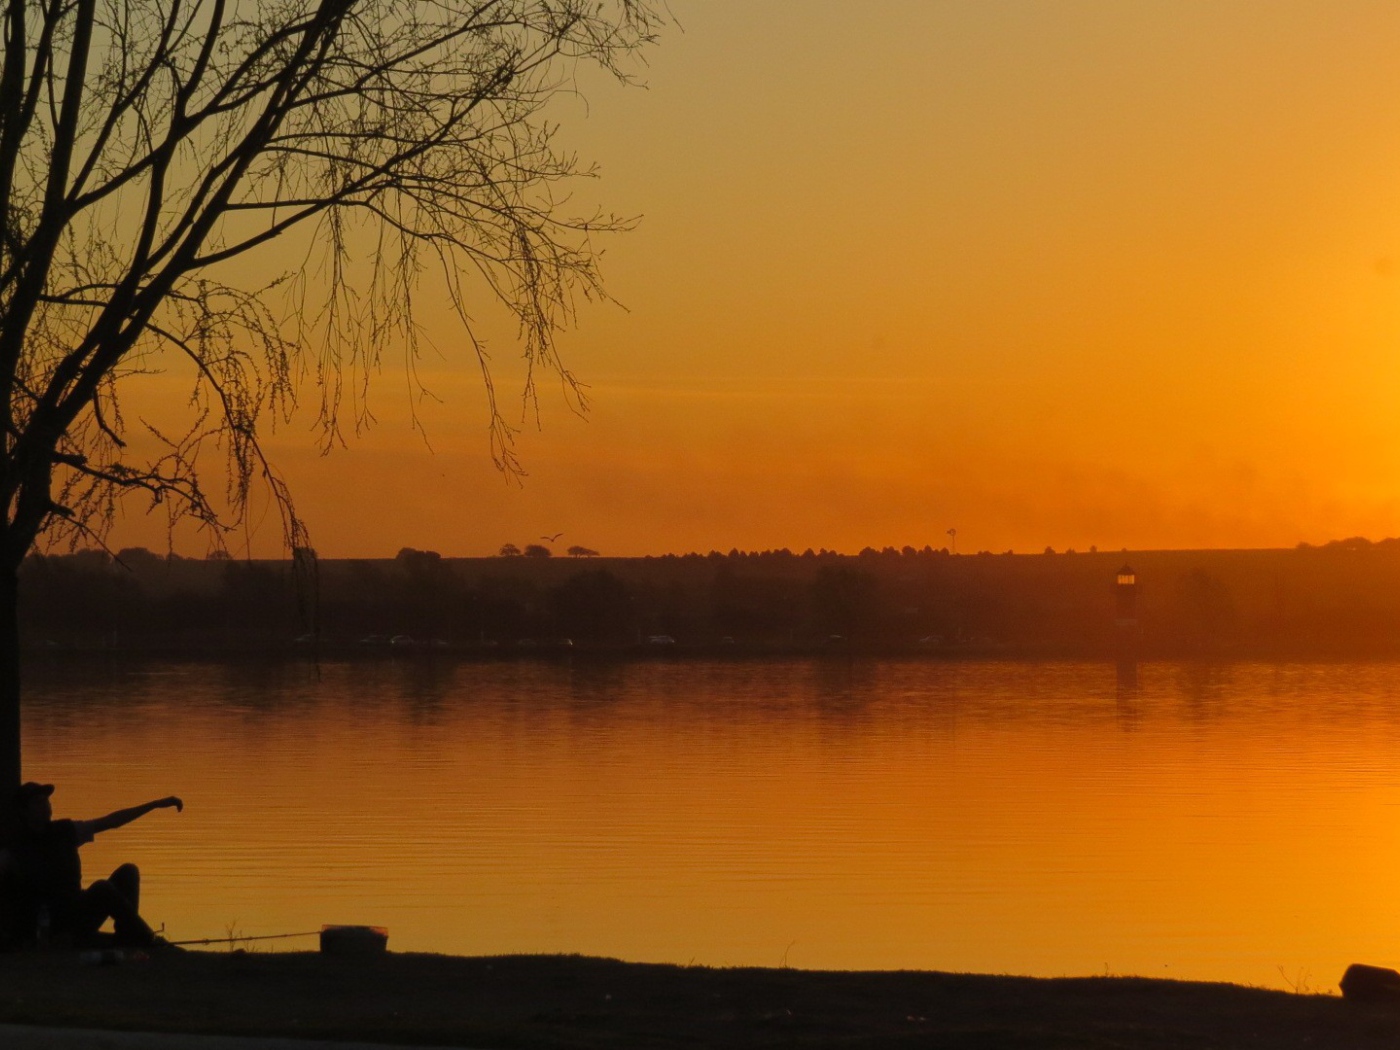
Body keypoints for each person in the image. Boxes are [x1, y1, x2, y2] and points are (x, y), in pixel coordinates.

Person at [0, 782, 183, 948]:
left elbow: (112, 821)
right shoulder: (14, 849)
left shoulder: (66, 831)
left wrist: (154, 805)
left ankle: (129, 935)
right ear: (24, 811)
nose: (46, 806)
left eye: (47, 801)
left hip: (78, 911)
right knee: (101, 888)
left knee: (128, 872)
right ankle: (147, 939)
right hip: (51, 924)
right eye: (38, 802)